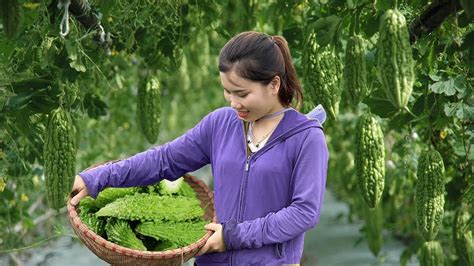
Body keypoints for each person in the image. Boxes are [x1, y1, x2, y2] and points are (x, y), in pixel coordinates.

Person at [70, 31, 329, 265]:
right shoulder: (221, 124)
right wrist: (97, 178)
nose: (233, 103)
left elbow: (304, 213)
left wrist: (231, 237)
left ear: (273, 84)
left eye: (242, 93)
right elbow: (164, 160)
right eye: (227, 92)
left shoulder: (306, 138)